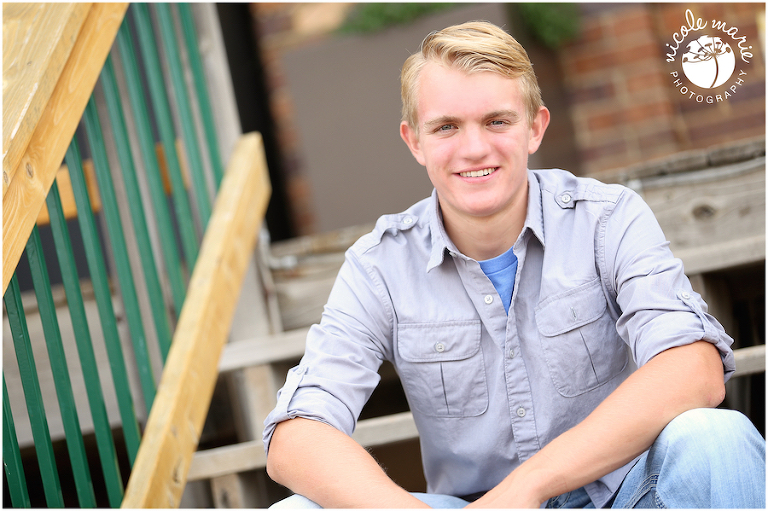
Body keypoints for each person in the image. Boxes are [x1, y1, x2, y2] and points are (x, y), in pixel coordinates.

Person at [263, 21, 766, 508]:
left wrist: (530, 486)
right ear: (415, 141)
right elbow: (297, 434)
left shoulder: (606, 219)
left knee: (716, 439)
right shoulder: (380, 266)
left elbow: (693, 368)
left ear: (535, 127)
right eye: (446, 127)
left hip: (623, 495)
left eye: (497, 121)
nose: (475, 147)